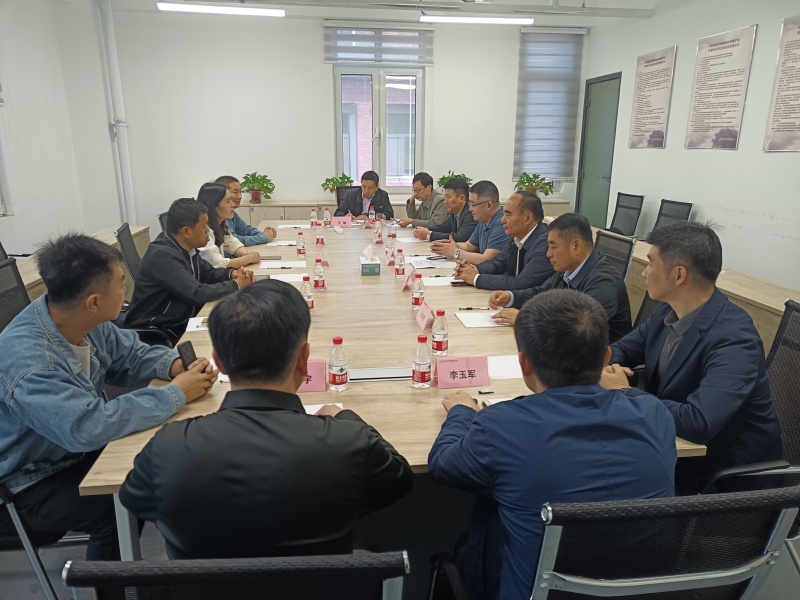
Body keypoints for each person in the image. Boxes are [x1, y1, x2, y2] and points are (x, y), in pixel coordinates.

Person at [119, 280, 415, 559]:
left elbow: (134, 499)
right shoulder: (348, 442)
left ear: (219, 362)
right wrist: (347, 418)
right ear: (304, 359)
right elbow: (399, 479)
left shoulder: (168, 447)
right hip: (320, 587)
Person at [429, 290, 676, 600]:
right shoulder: (655, 414)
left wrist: (462, 412)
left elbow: (443, 464)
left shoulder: (502, 426)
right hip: (640, 592)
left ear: (524, 363)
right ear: (606, 358)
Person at [0, 234, 218, 560]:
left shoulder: (80, 318)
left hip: (65, 451)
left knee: (162, 461)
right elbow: (87, 427)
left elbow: (130, 354)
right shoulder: (32, 364)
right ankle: (108, 582)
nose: (126, 291)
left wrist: (172, 365)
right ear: (93, 302)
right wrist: (176, 393)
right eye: (120, 284)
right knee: (121, 503)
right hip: (26, 480)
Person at [600, 221, 782, 494]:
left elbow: (698, 422)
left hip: (725, 485)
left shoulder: (734, 339)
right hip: (669, 452)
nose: (644, 272)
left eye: (650, 264)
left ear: (679, 274)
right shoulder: (667, 311)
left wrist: (624, 391)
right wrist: (593, 364)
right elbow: (623, 349)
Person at [125, 198, 255, 346]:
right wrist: (236, 284)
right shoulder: (163, 256)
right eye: (204, 226)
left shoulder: (187, 249)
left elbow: (209, 273)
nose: (208, 230)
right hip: (158, 331)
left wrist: (232, 274)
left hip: (181, 318)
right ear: (186, 231)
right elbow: (197, 293)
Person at [489, 213, 632, 342]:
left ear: (576, 246)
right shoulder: (569, 268)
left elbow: (578, 328)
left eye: (553, 247)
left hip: (599, 358)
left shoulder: (604, 282)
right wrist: (511, 297)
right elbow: (542, 293)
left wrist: (525, 319)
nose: (548, 254)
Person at [454, 191, 553, 290]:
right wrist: (472, 269)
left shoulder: (546, 244)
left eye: (508, 215)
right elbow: (497, 263)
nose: (502, 220)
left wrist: (476, 278)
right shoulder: (516, 238)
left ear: (527, 218)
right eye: (503, 214)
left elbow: (522, 283)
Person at [429, 180, 507, 266]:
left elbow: (486, 259)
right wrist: (448, 246)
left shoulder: (502, 223)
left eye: (473, 204)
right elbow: (469, 246)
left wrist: (455, 252)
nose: (470, 209)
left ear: (488, 205)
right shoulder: (483, 220)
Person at [196, 182, 261, 269]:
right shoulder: (204, 230)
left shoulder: (220, 224)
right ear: (214, 206)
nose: (232, 204)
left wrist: (243, 254)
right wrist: (249, 259)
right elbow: (217, 264)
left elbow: (233, 243)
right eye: (228, 201)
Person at [215, 175, 277, 246]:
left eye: (240, 192)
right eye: (235, 192)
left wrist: (264, 234)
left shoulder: (232, 214)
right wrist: (264, 237)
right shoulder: (219, 218)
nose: (240, 196)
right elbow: (236, 240)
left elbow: (246, 230)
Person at [412, 178, 476, 242]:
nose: (445, 202)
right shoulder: (455, 211)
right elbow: (444, 227)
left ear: (461, 198)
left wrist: (429, 235)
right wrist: (426, 229)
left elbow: (461, 237)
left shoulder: (471, 213)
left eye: (448, 197)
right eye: (445, 197)